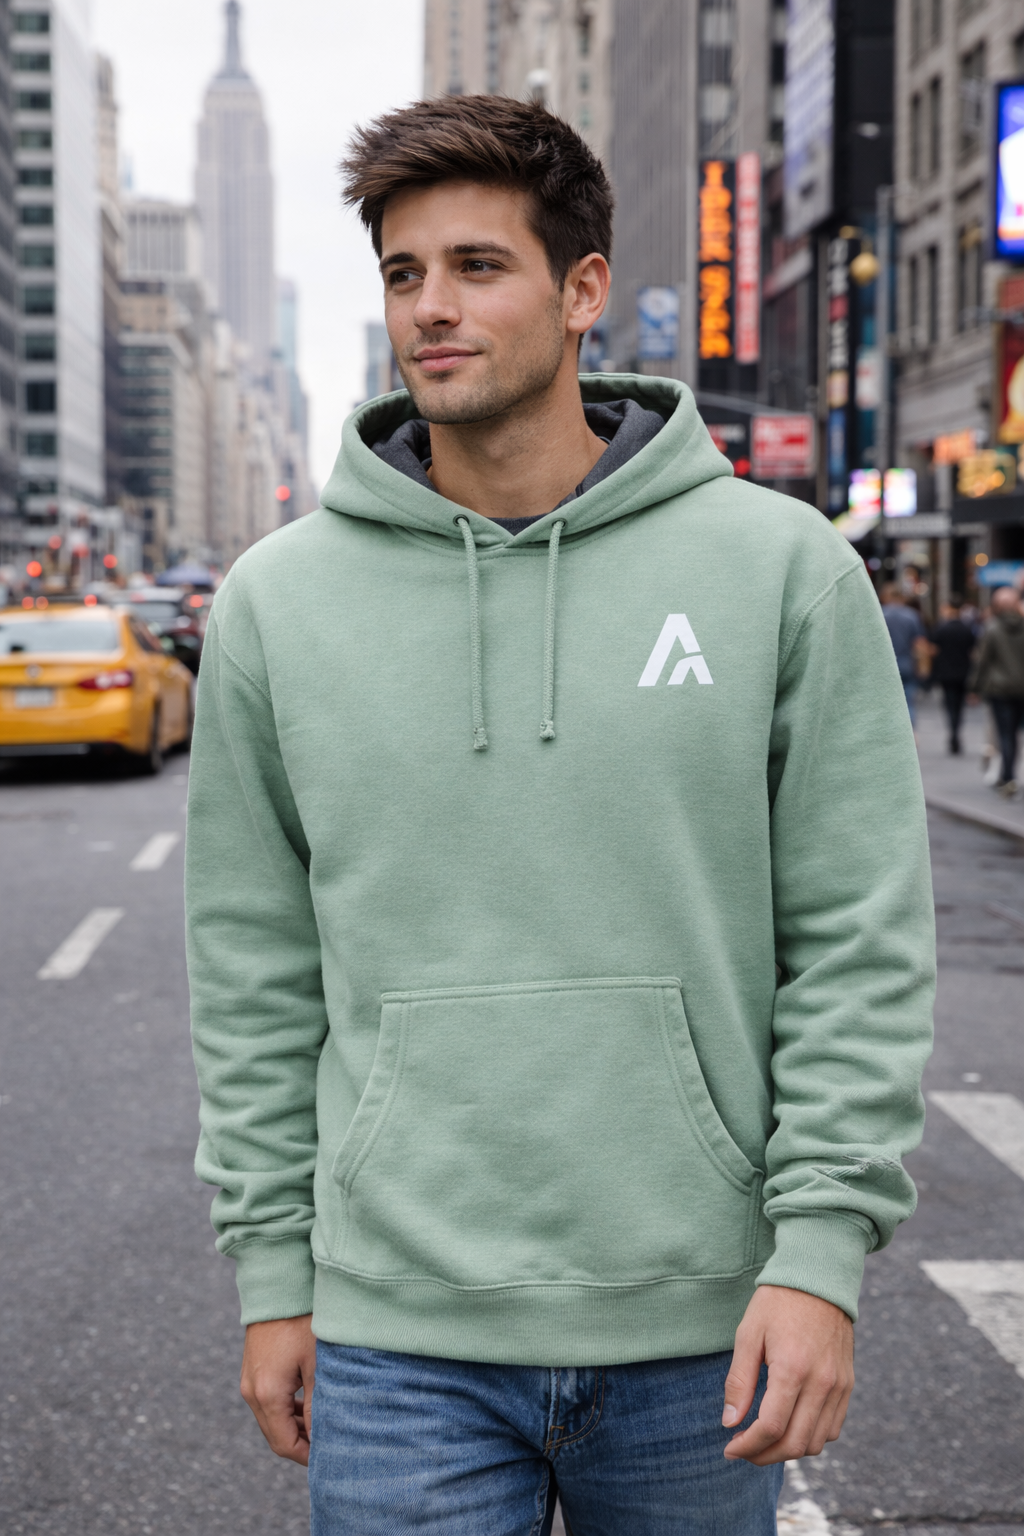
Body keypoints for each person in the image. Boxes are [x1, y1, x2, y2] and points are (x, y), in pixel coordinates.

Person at [185, 96, 934, 1534]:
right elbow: (252, 974)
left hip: (694, 1332)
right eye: (405, 274)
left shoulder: (779, 570)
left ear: (585, 290)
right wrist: (275, 1276)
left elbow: (860, 939)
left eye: (478, 266)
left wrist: (819, 1251)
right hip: (397, 1335)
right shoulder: (280, 601)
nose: (431, 309)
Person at [972, 584, 1024, 795]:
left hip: (999, 689)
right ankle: (1009, 774)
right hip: (1021, 688)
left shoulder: (992, 628)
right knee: (1015, 732)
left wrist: (974, 687)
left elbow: (982, 661)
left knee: (1005, 733)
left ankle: (1007, 776)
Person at [930, 595, 976, 754]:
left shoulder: (941, 628)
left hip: (946, 672)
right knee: (959, 705)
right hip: (963, 672)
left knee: (949, 703)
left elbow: (933, 650)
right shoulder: (967, 628)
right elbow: (973, 651)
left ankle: (953, 730)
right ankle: (956, 730)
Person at [880, 583, 926, 724]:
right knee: (908, 702)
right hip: (906, 664)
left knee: (885, 703)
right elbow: (919, 643)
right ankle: (911, 734)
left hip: (884, 666)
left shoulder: (880, 613)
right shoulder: (912, 615)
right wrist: (923, 667)